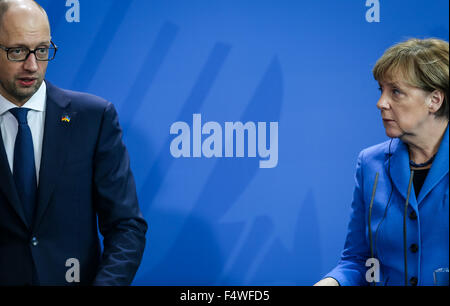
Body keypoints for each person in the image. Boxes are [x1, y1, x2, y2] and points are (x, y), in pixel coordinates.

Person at [0, 0, 147, 285]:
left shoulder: (94, 118)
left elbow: (126, 226)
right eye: (17, 51)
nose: (32, 65)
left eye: (42, 50)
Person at [316, 38, 449, 286]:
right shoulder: (370, 164)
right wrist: (331, 283)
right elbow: (357, 260)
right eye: (381, 90)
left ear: (435, 100)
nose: (381, 103)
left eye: (396, 92)